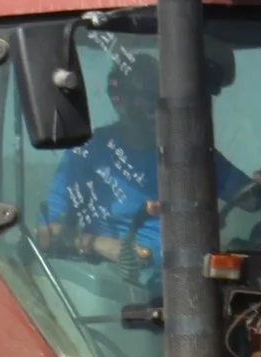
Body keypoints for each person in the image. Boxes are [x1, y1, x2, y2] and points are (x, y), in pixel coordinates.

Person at [39, 46, 243, 266]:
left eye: (154, 96)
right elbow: (47, 231)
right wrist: (91, 242)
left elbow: (249, 196)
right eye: (142, 96)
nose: (149, 106)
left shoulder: (191, 154)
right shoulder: (88, 150)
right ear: (118, 100)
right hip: (101, 282)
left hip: (181, 278)